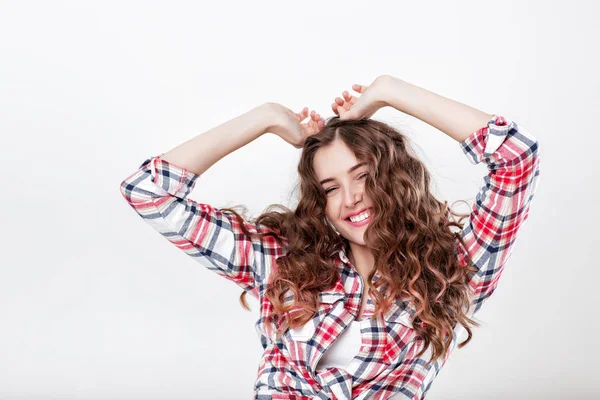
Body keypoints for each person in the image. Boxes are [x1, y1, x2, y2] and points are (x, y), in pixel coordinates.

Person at [119, 74, 541, 399]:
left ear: (396, 180)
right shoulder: (282, 262)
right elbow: (149, 192)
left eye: (364, 176)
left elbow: (515, 158)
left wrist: (389, 91)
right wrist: (265, 117)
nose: (352, 199)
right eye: (331, 187)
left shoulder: (451, 270)